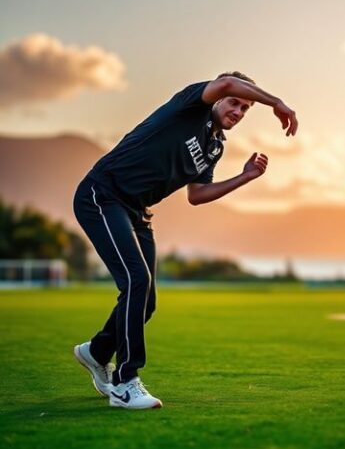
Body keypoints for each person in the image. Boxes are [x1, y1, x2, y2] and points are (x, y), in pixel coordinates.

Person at [72, 72, 298, 409]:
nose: (238, 110)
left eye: (246, 108)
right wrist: (276, 102)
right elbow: (225, 82)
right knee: (136, 280)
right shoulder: (190, 106)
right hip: (102, 194)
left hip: (137, 210)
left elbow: (197, 194)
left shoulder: (215, 147)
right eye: (235, 102)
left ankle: (97, 351)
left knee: (146, 301)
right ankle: (125, 382)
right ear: (220, 96)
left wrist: (245, 176)